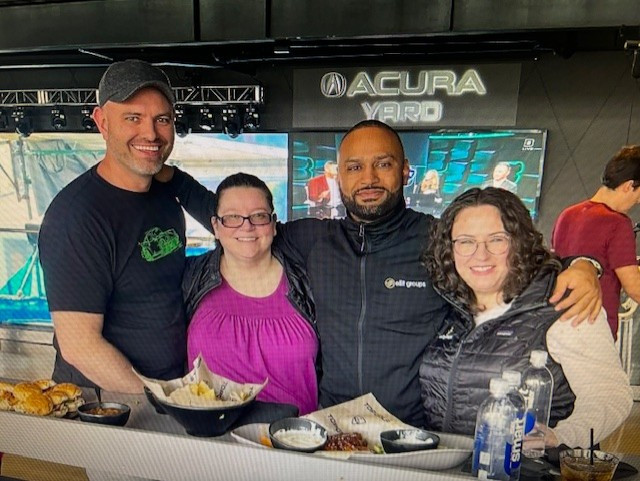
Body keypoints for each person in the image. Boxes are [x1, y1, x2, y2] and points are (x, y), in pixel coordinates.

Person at [162, 120, 602, 427]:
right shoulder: (310, 240)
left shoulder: (436, 240)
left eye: (383, 164)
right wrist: (171, 177)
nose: (368, 177)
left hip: (409, 434)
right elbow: (241, 221)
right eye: (354, 167)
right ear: (339, 178)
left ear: (405, 170)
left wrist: (583, 264)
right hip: (325, 430)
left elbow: (512, 258)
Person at [38, 59, 209, 393]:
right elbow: (80, 346)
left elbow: (230, 221)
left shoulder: (165, 193)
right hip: (106, 402)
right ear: (102, 122)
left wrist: (177, 180)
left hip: (168, 389)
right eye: (133, 118)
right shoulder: (77, 217)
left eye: (162, 119)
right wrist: (162, 398)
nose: (151, 133)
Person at [419, 187, 632, 448]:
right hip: (445, 468)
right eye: (466, 241)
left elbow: (610, 396)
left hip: (529, 471)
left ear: (519, 242)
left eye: (497, 240)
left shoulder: (564, 302)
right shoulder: (446, 302)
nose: (481, 254)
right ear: (450, 248)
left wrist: (560, 438)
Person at [182, 173, 318, 415]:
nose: (247, 226)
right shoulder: (189, 278)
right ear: (216, 226)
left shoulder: (309, 281)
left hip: (294, 440)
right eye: (233, 217)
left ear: (273, 224)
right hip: (211, 438)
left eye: (258, 216)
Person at [552, 145, 640, 339]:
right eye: (638, 194)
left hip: (558, 325)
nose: (638, 201)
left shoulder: (567, 214)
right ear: (628, 186)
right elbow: (635, 288)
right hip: (595, 328)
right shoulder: (617, 222)